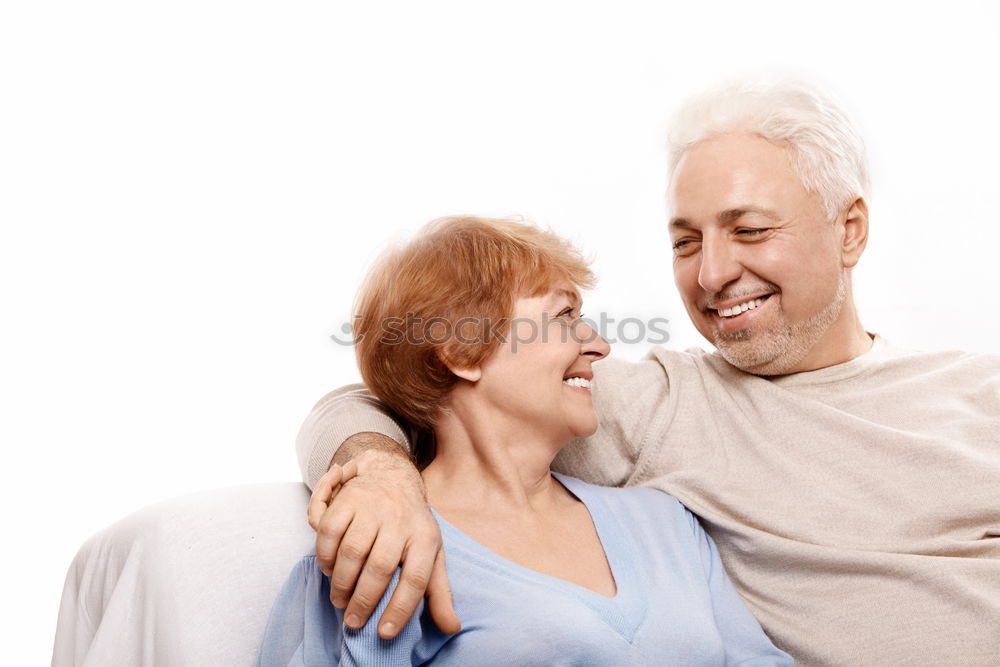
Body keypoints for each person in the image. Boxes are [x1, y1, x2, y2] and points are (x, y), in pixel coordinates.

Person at [298, 82, 1000, 666]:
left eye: (749, 230)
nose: (714, 272)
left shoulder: (979, 395)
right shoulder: (659, 407)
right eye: (686, 241)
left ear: (849, 230)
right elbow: (403, 383)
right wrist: (379, 469)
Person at [258, 216, 792, 665]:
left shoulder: (665, 523)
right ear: (463, 352)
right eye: (564, 316)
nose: (600, 346)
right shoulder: (382, 549)